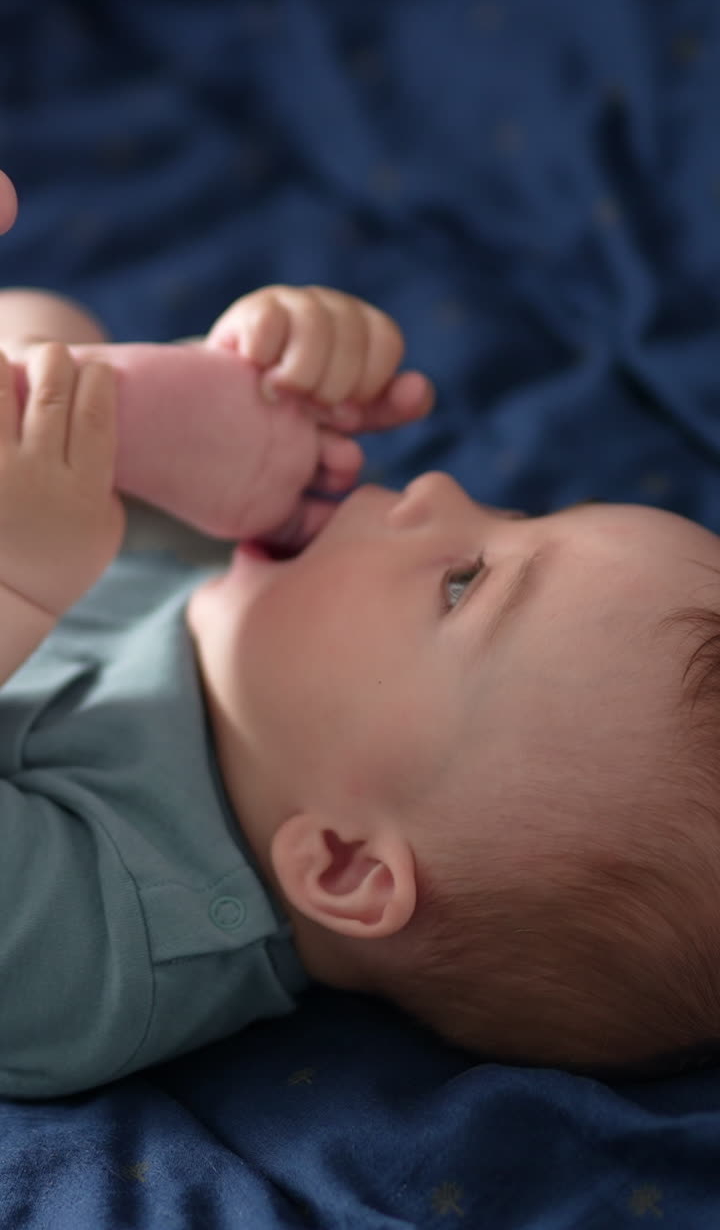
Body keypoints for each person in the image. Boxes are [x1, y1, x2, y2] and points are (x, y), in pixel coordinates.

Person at [2, 280, 720, 1100]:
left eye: (462, 583)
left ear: (345, 865)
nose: (437, 489)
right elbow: (34, 342)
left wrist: (18, 584)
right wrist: (174, 390)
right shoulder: (259, 636)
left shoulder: (101, 949)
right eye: (517, 512)